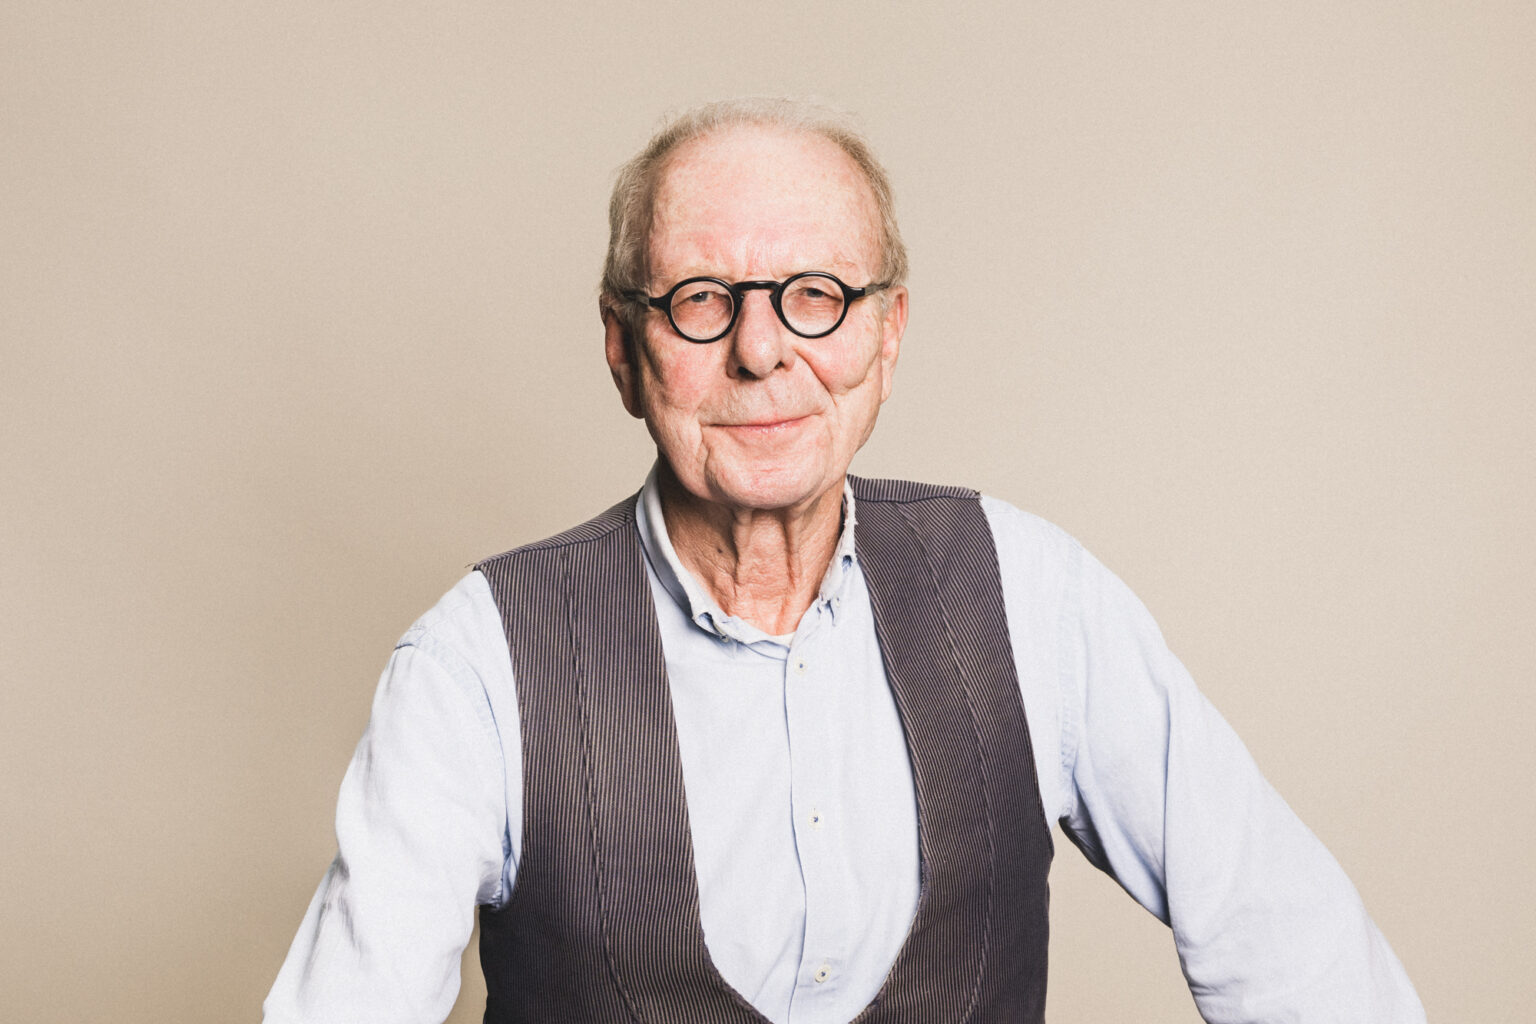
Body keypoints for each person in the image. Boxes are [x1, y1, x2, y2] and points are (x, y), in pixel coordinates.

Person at [263, 98, 1425, 1024]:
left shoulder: (1032, 596)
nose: (762, 349)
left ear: (887, 335)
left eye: (815, 296)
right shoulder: (477, 663)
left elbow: (1292, 942)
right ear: (623, 350)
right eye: (701, 300)